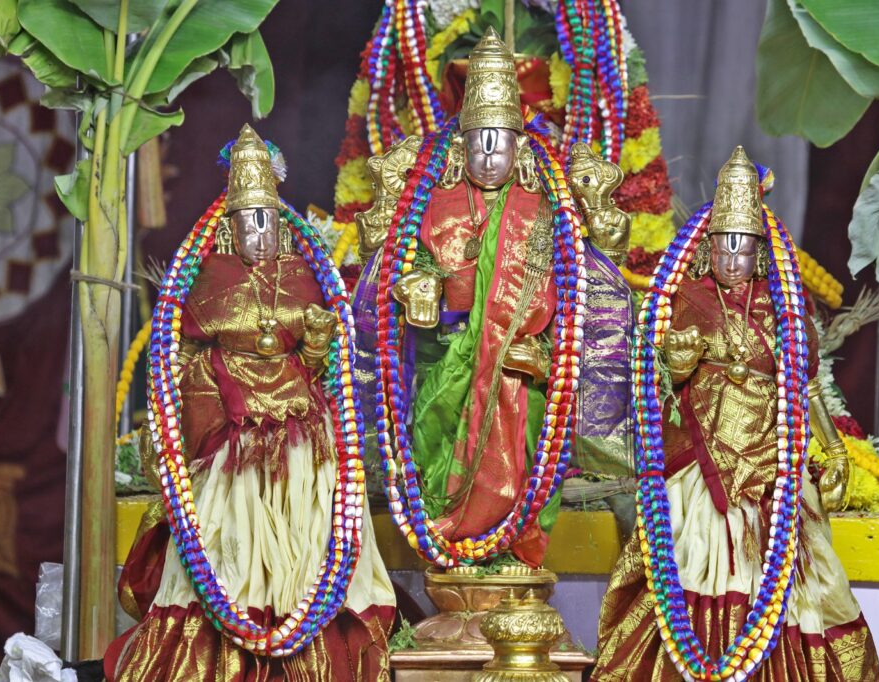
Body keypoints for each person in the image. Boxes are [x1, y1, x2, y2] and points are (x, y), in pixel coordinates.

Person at [106, 125, 395, 682]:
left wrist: (316, 342)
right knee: (225, 538)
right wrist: (205, 401)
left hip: (301, 429)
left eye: (266, 221)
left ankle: (304, 625)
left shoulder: (306, 274)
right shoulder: (207, 280)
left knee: (318, 525)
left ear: (280, 224)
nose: (259, 233)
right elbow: (183, 356)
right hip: (230, 428)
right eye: (249, 222)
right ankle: (232, 629)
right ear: (231, 226)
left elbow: (322, 366)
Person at [592, 147, 879, 681]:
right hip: (699, 461)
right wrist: (676, 366)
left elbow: (805, 386)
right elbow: (652, 385)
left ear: (759, 253)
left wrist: (835, 450)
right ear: (707, 247)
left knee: (797, 576)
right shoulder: (684, 299)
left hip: (772, 464)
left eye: (742, 247)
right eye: (723, 245)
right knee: (683, 559)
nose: (731, 259)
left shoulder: (784, 309)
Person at [351, 28, 634, 567]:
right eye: (477, 141)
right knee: (432, 452)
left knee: (527, 462)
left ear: (518, 147)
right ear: (460, 146)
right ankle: (450, 547)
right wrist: (417, 287)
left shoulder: (545, 208)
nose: (486, 155)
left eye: (497, 142)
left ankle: (509, 559)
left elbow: (580, 302)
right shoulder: (434, 204)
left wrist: (548, 360)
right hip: (446, 367)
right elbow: (402, 276)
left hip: (521, 377)